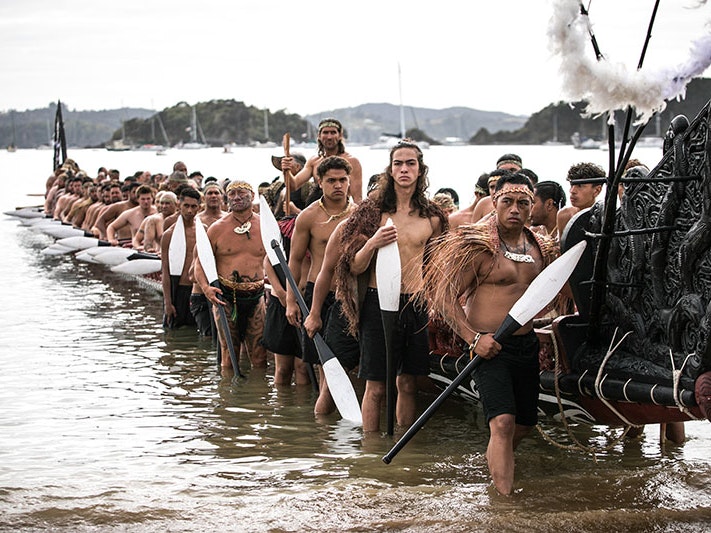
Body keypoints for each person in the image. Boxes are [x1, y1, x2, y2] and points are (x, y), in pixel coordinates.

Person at [423, 171, 558, 495]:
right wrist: (473, 338)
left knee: (525, 424)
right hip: (488, 347)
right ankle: (504, 505)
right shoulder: (479, 246)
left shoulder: (540, 248)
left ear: (531, 206)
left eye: (523, 203)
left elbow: (553, 291)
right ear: (494, 202)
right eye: (508, 201)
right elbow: (444, 298)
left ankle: (494, 461)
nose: (515, 208)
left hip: (526, 345)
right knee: (502, 423)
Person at [334, 140, 448, 432]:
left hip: (416, 303)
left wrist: (437, 304)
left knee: (409, 382)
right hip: (378, 302)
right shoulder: (373, 212)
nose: (404, 169)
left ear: (420, 169)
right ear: (390, 169)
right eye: (398, 163)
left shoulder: (432, 216)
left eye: (410, 163)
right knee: (376, 384)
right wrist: (373, 243)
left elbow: (434, 267)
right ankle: (370, 453)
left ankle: (404, 450)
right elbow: (354, 265)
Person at [284, 156, 358, 406]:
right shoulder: (309, 216)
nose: (338, 185)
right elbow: (294, 261)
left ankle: (330, 408)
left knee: (344, 358)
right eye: (332, 180)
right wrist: (290, 301)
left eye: (343, 180)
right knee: (320, 360)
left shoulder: (360, 214)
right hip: (318, 293)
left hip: (350, 295)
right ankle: (324, 411)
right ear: (320, 182)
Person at [195, 180, 268, 372]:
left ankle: (259, 398)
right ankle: (229, 398)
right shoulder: (217, 228)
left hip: (256, 296)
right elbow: (200, 263)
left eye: (241, 193)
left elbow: (279, 260)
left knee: (260, 357)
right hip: (225, 297)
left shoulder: (266, 226)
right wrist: (206, 289)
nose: (236, 197)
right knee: (229, 354)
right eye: (232, 194)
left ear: (252, 196)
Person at [281, 118, 364, 204]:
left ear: (340, 136)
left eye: (333, 132)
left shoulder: (352, 162)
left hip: (341, 211)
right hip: (317, 209)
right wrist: (286, 170)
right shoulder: (313, 161)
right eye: (325, 132)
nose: (329, 137)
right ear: (319, 136)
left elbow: (357, 198)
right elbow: (293, 186)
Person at [189, 182, 228, 337]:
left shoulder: (228, 221)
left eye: (216, 193)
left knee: (223, 338)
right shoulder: (196, 220)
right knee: (207, 337)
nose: (213, 196)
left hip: (222, 287)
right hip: (199, 287)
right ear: (204, 197)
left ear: (222, 197)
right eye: (209, 193)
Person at [160, 187, 201, 329]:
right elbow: (164, 270)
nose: (190, 210)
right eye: (186, 206)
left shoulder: (204, 231)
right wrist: (167, 302)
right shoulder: (169, 235)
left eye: (193, 206)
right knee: (173, 334)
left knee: (199, 333)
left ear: (199, 208)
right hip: (178, 290)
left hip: (198, 290)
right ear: (179, 206)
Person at [557, 162, 605, 238]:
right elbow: (563, 247)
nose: (572, 191)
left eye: (580, 186)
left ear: (597, 190)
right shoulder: (564, 215)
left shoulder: (604, 218)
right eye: (572, 185)